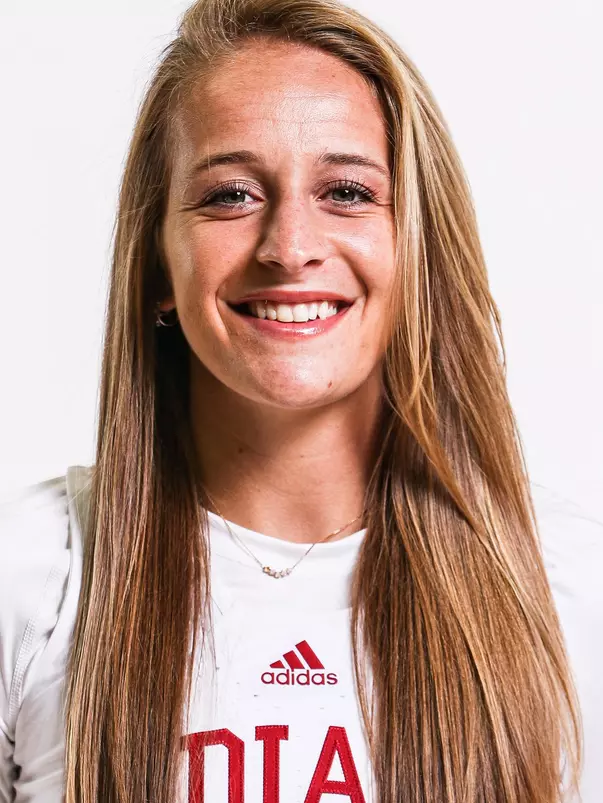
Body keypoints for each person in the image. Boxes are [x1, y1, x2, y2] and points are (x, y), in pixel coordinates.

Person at [1, 0, 601, 800]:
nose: (289, 247)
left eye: (346, 191)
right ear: (156, 265)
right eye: (230, 195)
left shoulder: (567, 587)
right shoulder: (31, 575)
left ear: (418, 247)